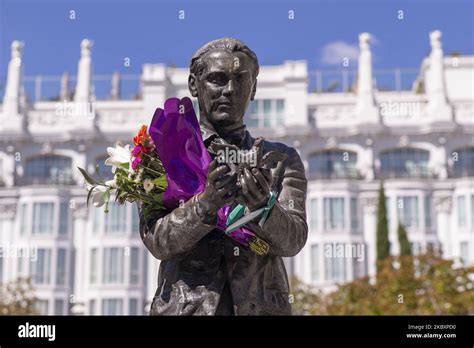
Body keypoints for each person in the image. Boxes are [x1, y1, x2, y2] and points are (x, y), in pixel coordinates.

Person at [139, 38, 308, 315]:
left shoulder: (280, 159)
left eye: (240, 79)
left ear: (253, 88)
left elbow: (294, 240)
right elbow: (158, 240)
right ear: (194, 84)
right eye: (218, 79)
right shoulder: (163, 151)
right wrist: (206, 204)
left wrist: (263, 207)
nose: (229, 90)